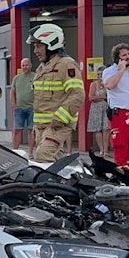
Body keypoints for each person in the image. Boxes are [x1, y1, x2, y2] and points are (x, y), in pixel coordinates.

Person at [29, 24, 84, 162]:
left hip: (57, 125)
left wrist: (60, 119)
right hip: (42, 126)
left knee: (43, 157)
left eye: (38, 46)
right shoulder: (43, 67)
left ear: (51, 43)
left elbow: (77, 94)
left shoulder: (66, 64)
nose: (35, 50)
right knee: (56, 162)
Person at [101, 43, 129, 172]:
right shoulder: (109, 71)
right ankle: (120, 169)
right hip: (120, 112)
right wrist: (121, 70)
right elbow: (109, 85)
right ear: (117, 58)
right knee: (120, 142)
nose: (128, 57)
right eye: (124, 55)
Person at [10, 57, 35, 151]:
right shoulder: (17, 78)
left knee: (32, 131)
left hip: (31, 108)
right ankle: (15, 151)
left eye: (26, 65)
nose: (25, 67)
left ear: (31, 65)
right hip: (19, 108)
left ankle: (30, 152)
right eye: (23, 65)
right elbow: (12, 92)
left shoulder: (35, 77)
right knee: (17, 130)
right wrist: (13, 104)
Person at [87, 74, 110, 155]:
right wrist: (102, 97)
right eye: (98, 74)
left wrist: (101, 97)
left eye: (101, 74)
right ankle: (101, 150)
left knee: (106, 129)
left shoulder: (108, 83)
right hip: (96, 109)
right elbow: (91, 97)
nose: (100, 76)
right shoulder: (94, 84)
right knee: (98, 129)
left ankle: (106, 151)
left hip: (106, 108)